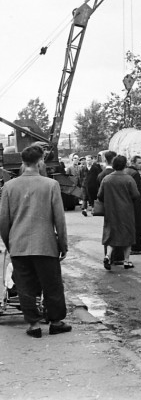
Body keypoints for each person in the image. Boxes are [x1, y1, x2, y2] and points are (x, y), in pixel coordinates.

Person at [0, 144, 71, 338]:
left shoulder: (9, 186)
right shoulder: (50, 185)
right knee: (52, 284)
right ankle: (56, 322)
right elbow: (59, 219)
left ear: (22, 163)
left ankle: (33, 325)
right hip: (45, 244)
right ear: (40, 162)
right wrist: (63, 245)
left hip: (19, 245)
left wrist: (10, 243)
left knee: (25, 286)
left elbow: (3, 221)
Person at [97, 155, 140, 270]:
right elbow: (136, 195)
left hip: (111, 211)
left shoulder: (107, 179)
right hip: (126, 211)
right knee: (128, 235)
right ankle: (126, 261)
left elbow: (99, 196)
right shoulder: (129, 179)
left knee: (112, 235)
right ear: (124, 165)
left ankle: (108, 256)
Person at [124, 155, 141, 254]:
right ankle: (136, 248)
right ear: (133, 163)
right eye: (139, 163)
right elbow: (137, 190)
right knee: (138, 225)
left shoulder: (126, 171)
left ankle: (129, 246)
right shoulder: (135, 174)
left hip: (127, 202)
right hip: (135, 203)